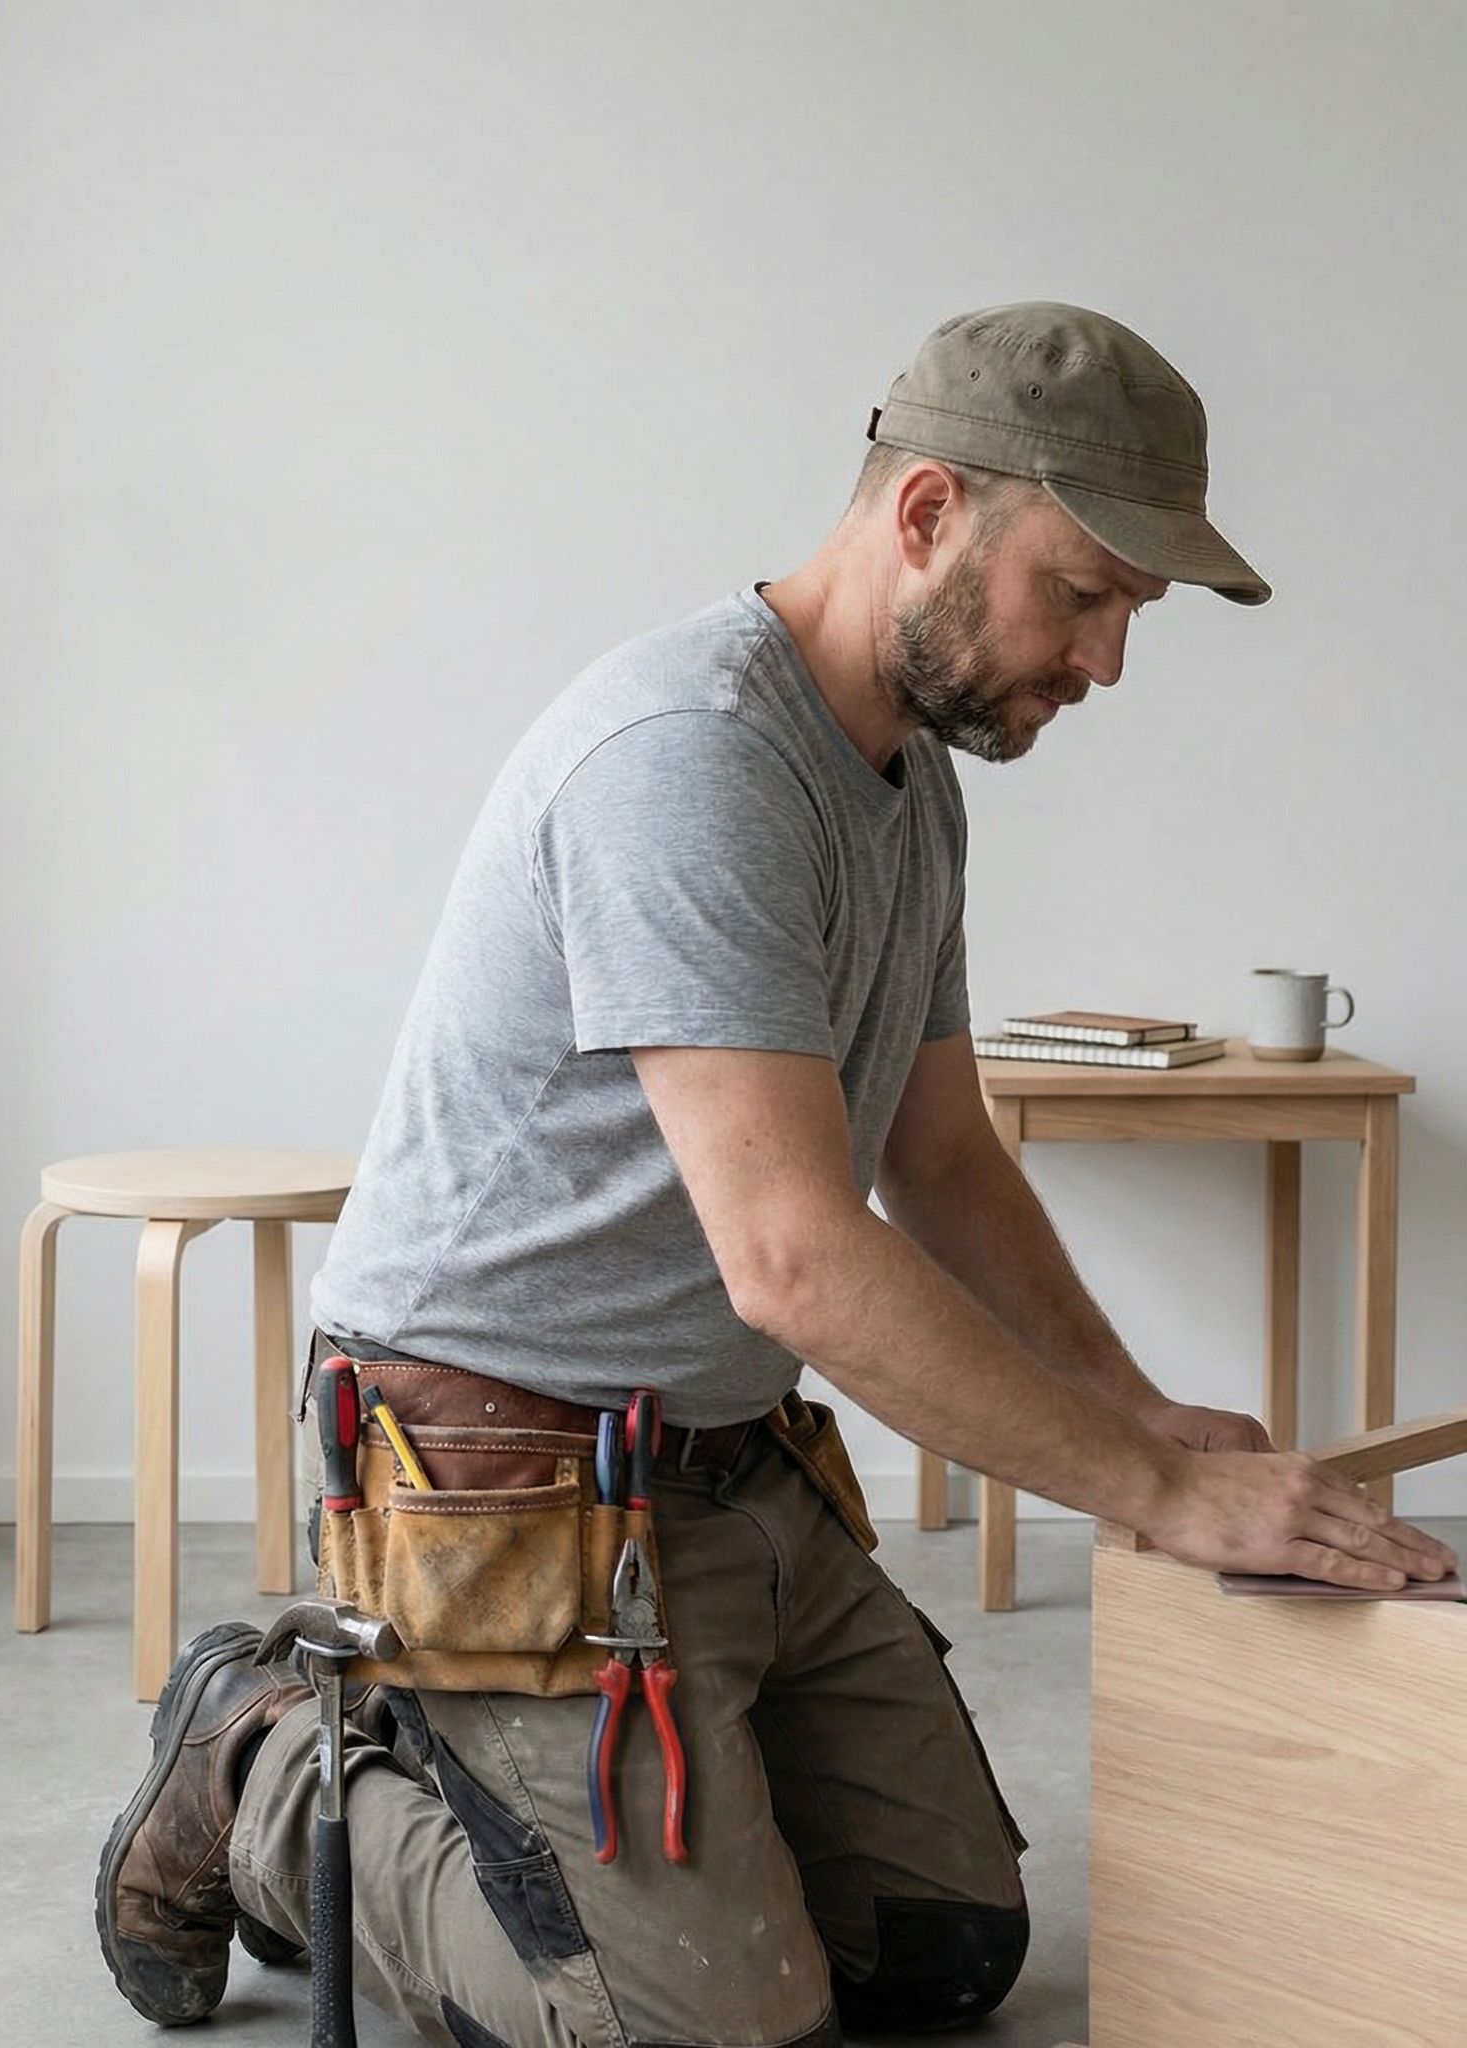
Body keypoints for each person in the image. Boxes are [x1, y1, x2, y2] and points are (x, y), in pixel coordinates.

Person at [96, 302, 1459, 2047]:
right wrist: (1164, 1495)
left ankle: (647, 1839)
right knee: (696, 2032)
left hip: (721, 1472)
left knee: (942, 1946)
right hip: (502, 1466)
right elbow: (796, 1261)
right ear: (928, 516)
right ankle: (269, 1760)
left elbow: (941, 1154)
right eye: (1090, 594)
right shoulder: (691, 762)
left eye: (1139, 614)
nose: (1110, 660)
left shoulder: (911, 786)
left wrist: (1137, 1424)